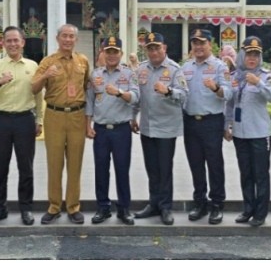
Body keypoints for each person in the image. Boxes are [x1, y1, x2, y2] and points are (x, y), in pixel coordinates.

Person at [0, 26, 45, 226]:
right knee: (0, 167)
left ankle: (26, 208)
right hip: (1, 120)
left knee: (26, 167)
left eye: (16, 40)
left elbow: (38, 94)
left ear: (22, 43)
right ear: (3, 43)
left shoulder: (32, 66)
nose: (12, 44)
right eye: (8, 40)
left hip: (25, 120)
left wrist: (39, 120)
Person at [31, 23, 90, 225]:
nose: (67, 39)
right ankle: (54, 206)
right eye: (64, 36)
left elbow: (87, 86)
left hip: (76, 115)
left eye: (71, 36)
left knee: (75, 164)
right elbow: (33, 88)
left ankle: (73, 207)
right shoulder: (48, 62)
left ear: (76, 39)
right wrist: (45, 75)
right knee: (54, 163)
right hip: (54, 115)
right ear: (57, 39)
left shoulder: (83, 61)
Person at [133, 32, 188, 225]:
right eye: (150, 48)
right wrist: (133, 116)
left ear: (164, 48)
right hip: (147, 127)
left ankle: (165, 207)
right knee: (152, 168)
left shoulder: (174, 70)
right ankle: (153, 203)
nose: (154, 52)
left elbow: (184, 95)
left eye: (157, 47)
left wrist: (169, 91)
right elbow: (137, 96)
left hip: (166, 128)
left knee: (165, 168)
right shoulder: (141, 69)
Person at [225, 36, 271, 227]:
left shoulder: (265, 75)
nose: (252, 58)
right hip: (240, 133)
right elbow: (230, 103)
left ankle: (260, 213)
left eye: (256, 55)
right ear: (242, 55)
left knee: (260, 174)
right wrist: (227, 125)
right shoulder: (235, 76)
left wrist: (258, 83)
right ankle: (248, 209)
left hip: (259, 134)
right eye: (249, 54)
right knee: (246, 173)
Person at [180, 29, 233, 224]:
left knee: (214, 164)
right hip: (190, 121)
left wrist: (216, 88)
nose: (198, 47)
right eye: (195, 43)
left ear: (210, 44)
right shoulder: (185, 67)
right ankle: (200, 203)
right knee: (195, 164)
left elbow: (229, 93)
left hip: (211, 121)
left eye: (202, 43)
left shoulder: (220, 67)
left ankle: (217, 204)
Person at [85, 37, 139, 225]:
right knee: (101, 170)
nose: (111, 55)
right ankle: (103, 207)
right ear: (103, 53)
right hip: (101, 130)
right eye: (108, 51)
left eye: (115, 52)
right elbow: (89, 101)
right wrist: (87, 125)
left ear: (121, 54)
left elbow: (135, 97)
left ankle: (124, 208)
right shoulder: (95, 75)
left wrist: (119, 92)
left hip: (121, 129)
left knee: (122, 169)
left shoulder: (128, 74)